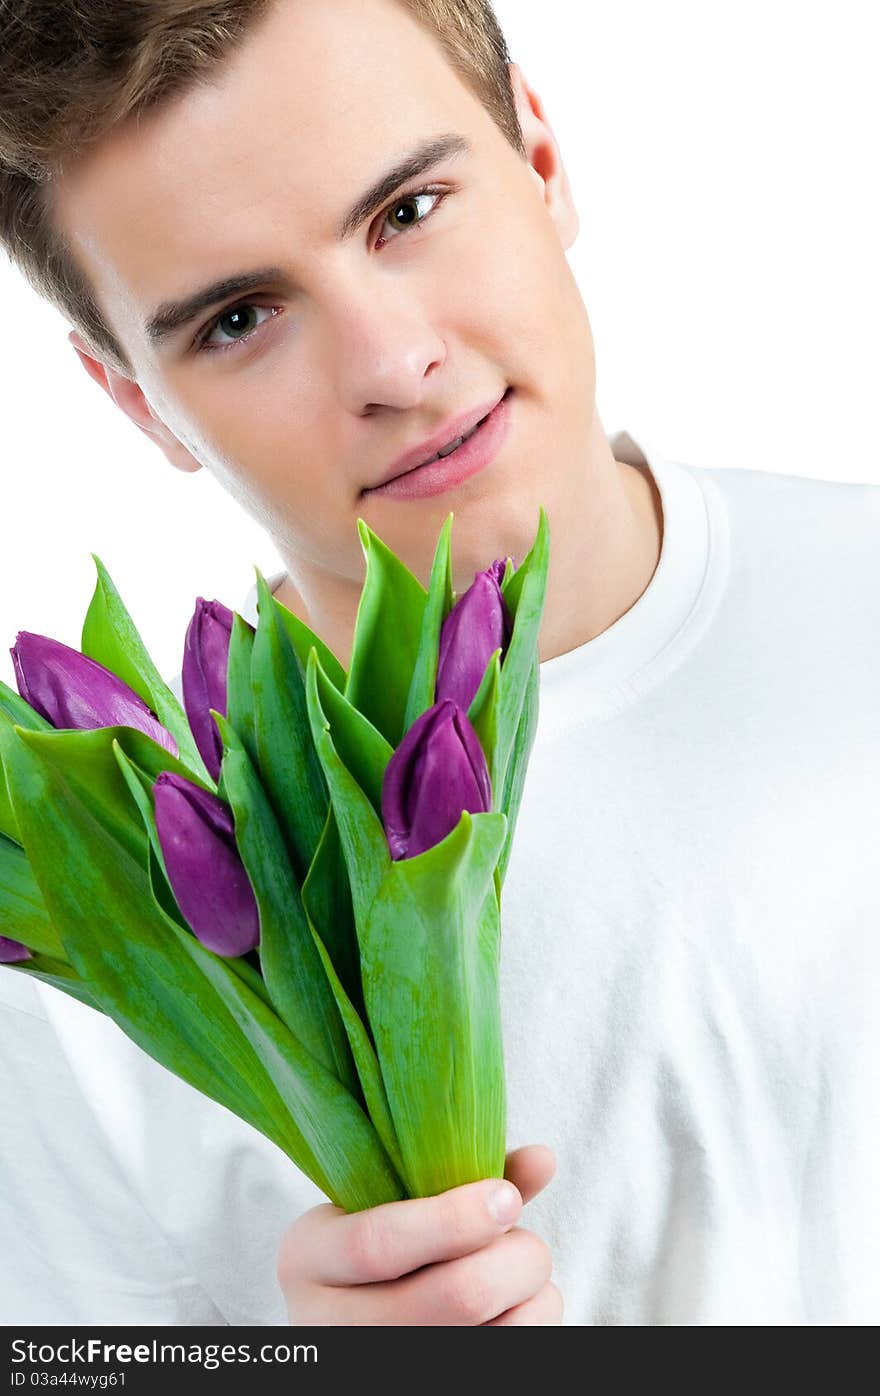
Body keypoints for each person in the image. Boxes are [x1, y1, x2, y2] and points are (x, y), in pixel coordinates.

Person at [0, 0, 877, 1327]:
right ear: (137, 402)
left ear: (540, 156)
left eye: (406, 212)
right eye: (238, 317)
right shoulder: (90, 926)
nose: (394, 365)